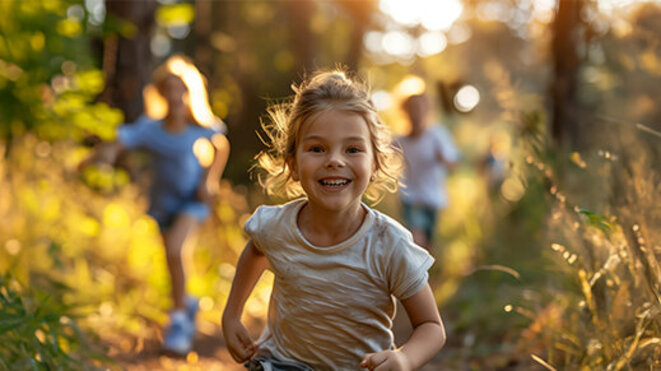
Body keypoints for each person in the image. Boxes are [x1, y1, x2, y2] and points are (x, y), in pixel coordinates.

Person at [222, 70, 445, 370]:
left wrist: (404, 358)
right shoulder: (276, 227)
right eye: (317, 149)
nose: (334, 160)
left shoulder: (389, 244)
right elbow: (256, 252)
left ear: (376, 164)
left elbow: (431, 326)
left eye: (352, 149)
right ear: (293, 164)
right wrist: (232, 314)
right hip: (283, 363)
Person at [79, 55, 230, 355]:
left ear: (189, 92)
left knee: (176, 250)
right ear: (161, 94)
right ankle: (186, 305)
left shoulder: (199, 126)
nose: (175, 96)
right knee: (173, 262)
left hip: (192, 203)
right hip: (163, 207)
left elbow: (220, 146)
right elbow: (118, 142)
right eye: (169, 89)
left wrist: (208, 181)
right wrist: (93, 159)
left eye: (181, 89)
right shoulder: (151, 129)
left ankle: (179, 326)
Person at [395, 92, 459, 251]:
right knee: (417, 240)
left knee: (427, 246)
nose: (415, 113)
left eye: (419, 109)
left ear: (427, 111)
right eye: (411, 109)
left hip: (433, 198)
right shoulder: (400, 141)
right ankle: (411, 274)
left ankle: (423, 275)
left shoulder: (437, 135)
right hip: (410, 197)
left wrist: (443, 159)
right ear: (405, 112)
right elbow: (378, 154)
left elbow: (454, 165)